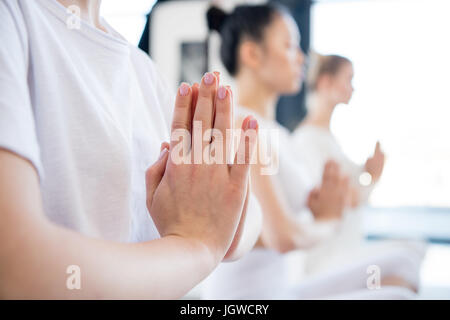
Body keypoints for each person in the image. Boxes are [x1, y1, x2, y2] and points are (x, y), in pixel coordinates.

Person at [0, 0, 262, 299]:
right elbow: (17, 269)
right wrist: (198, 245)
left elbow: (252, 213)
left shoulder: (143, 70)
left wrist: (221, 222)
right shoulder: (13, 18)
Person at [201, 3, 423, 300]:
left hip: (284, 289)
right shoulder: (245, 126)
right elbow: (282, 236)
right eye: (290, 46)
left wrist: (327, 204)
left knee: (403, 265)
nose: (301, 57)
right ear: (252, 54)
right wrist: (328, 221)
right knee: (398, 295)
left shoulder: (278, 133)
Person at [291, 53, 425, 276]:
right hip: (326, 259)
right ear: (326, 82)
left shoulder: (328, 139)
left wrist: (369, 175)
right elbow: (335, 201)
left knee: (413, 249)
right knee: (407, 257)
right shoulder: (307, 140)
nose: (352, 88)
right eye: (349, 79)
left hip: (345, 249)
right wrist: (371, 177)